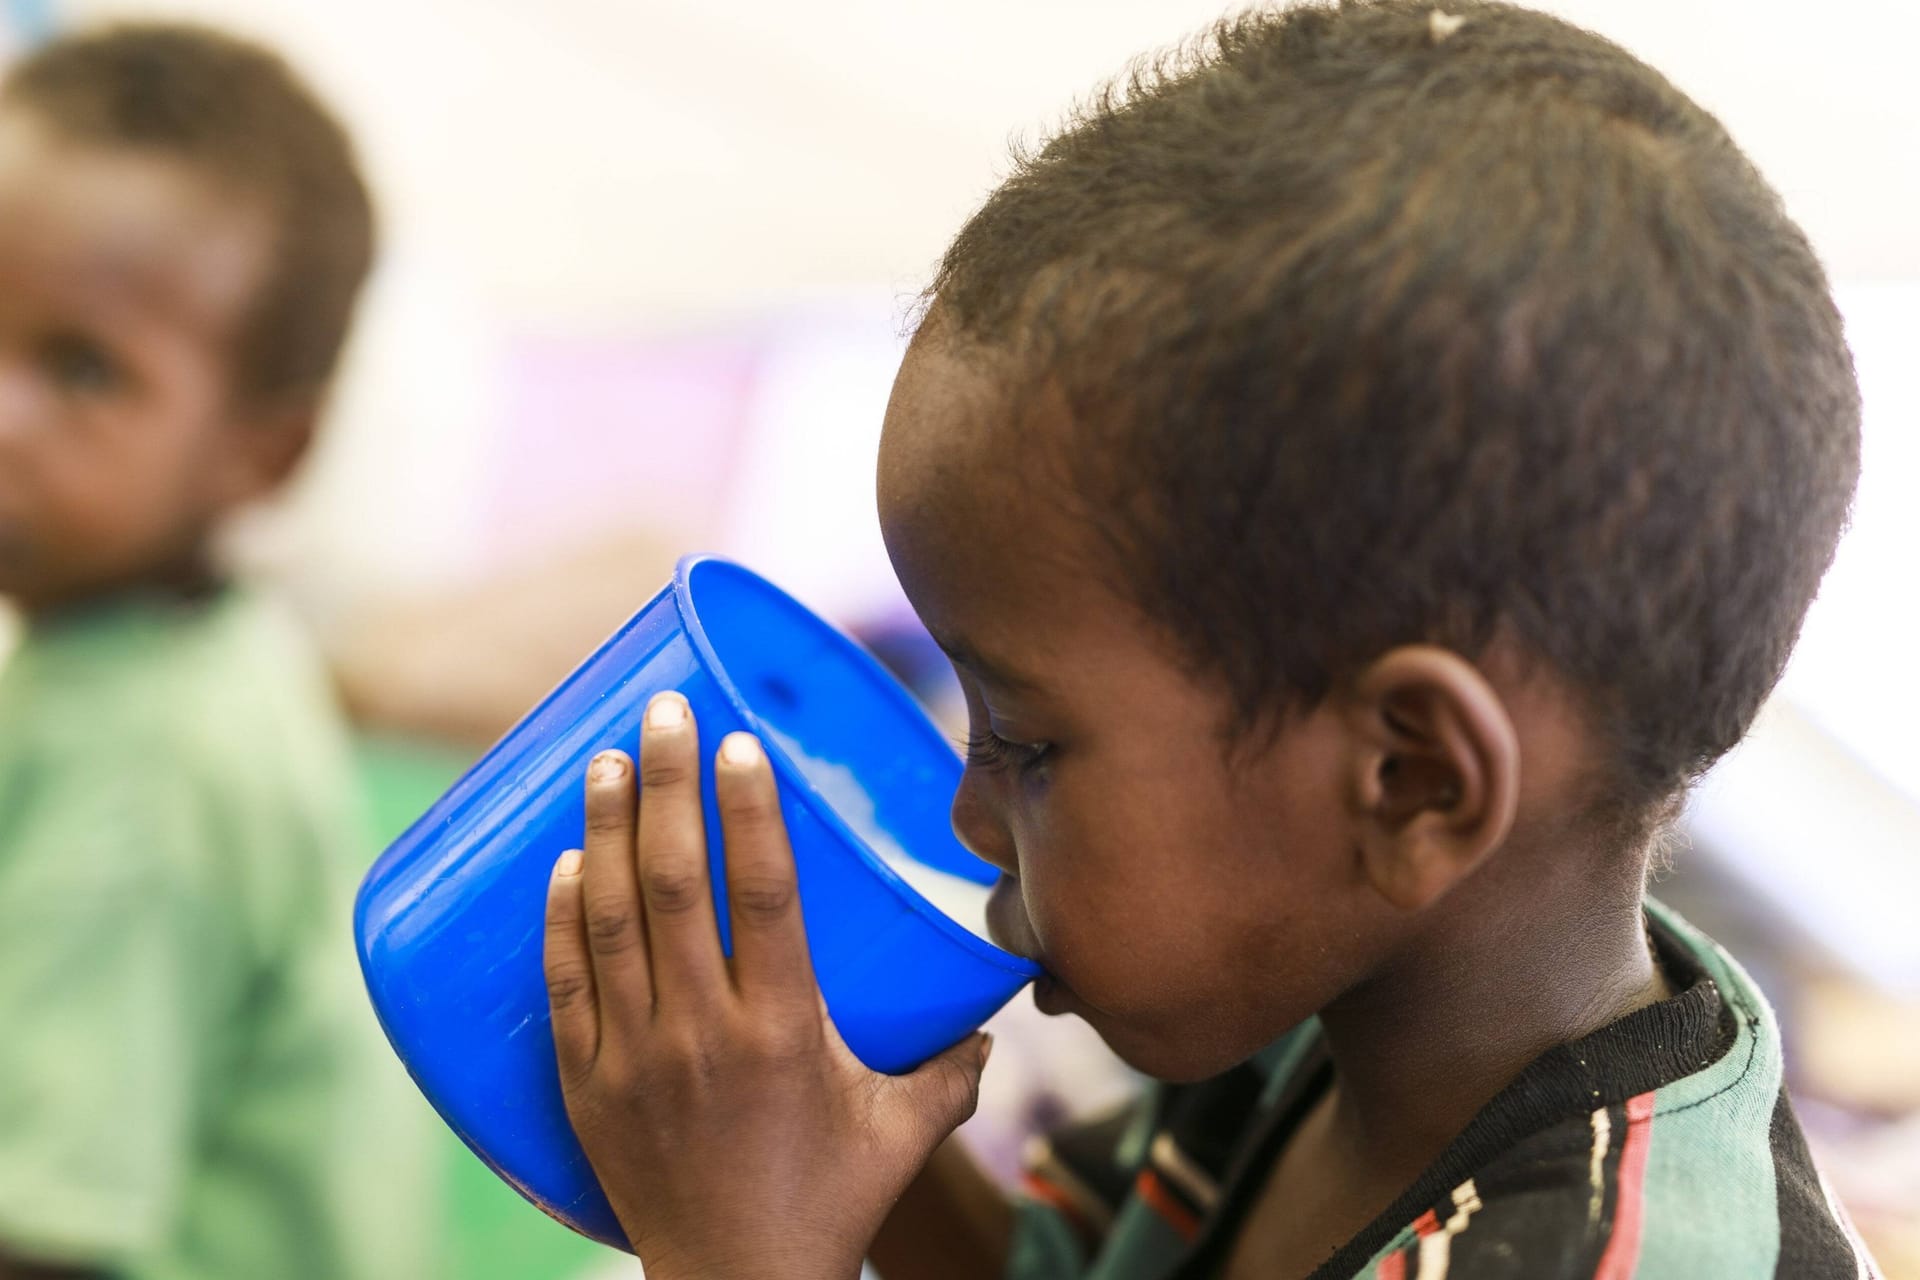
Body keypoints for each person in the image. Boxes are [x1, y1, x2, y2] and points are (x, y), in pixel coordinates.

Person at [538, 2, 1875, 1277]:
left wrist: (742, 1254)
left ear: (1409, 781)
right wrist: (831, 1134)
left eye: (1028, 743)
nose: (968, 818)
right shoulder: (1319, 1020)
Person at [0, 24, 433, 1280]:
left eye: (82, 368)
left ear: (264, 452)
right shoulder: (183, 650)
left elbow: (46, 1237)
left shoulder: (144, 762)